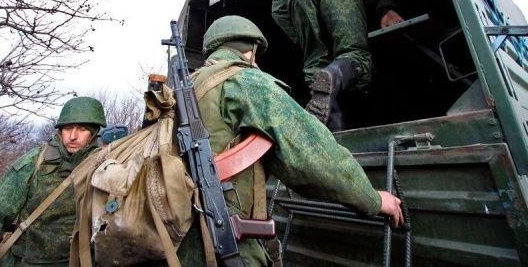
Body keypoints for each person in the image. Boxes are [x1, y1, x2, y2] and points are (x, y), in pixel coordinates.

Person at [173, 15, 404, 267]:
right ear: (250, 51)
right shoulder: (245, 82)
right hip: (223, 243)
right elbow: (313, 155)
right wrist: (373, 199)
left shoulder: (186, 92)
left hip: (179, 240)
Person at [272, 0, 404, 130]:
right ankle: (334, 74)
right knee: (354, 53)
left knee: (316, 65)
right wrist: (386, 8)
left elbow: (277, 9)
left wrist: (301, 35)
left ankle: (335, 134)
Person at [0, 96, 106, 267]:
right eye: (68, 128)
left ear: (93, 133)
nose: (72, 136)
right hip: (25, 261)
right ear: (60, 130)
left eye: (83, 129)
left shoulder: (105, 167)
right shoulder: (34, 163)